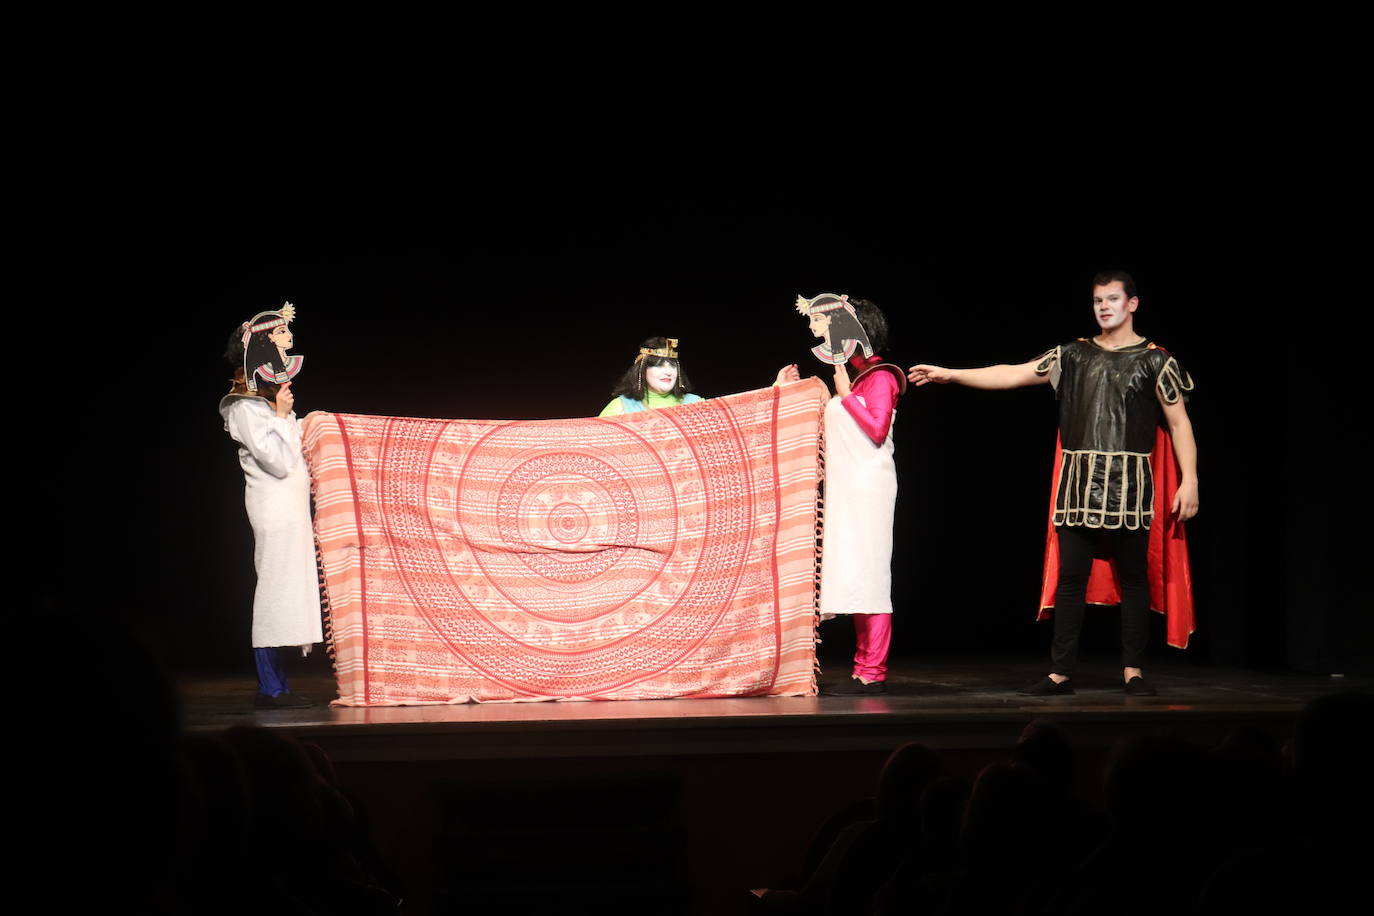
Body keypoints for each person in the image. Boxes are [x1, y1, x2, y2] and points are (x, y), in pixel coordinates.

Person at [908, 270, 1198, 696]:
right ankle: (1060, 672)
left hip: (1130, 489)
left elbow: (1179, 423)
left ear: (1132, 304)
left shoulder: (1156, 361)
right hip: (1078, 488)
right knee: (1071, 580)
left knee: (1135, 580)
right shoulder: (1072, 355)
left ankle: (1133, 671)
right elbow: (1013, 373)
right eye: (1098, 299)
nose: (1104, 306)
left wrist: (1190, 480)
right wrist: (952, 374)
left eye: (1113, 299)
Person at [220, 303, 323, 708]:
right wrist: (283, 417)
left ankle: (278, 684)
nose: (287, 342)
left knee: (290, 591)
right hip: (274, 510)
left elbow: (292, 448)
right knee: (276, 591)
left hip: (291, 510)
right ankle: (270, 687)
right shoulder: (242, 406)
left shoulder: (265, 404)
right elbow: (277, 462)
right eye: (280, 337)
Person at [802, 296, 906, 695]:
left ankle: (873, 667)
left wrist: (844, 394)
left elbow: (876, 429)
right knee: (859, 575)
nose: (820, 332)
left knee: (873, 576)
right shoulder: (858, 376)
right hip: (848, 488)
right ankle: (863, 665)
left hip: (869, 486)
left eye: (828, 326)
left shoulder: (881, 375)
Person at [598, 336, 799, 416]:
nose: (667, 371)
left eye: (672, 365)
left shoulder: (694, 404)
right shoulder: (622, 407)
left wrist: (777, 388)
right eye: (659, 366)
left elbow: (739, 417)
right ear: (642, 371)